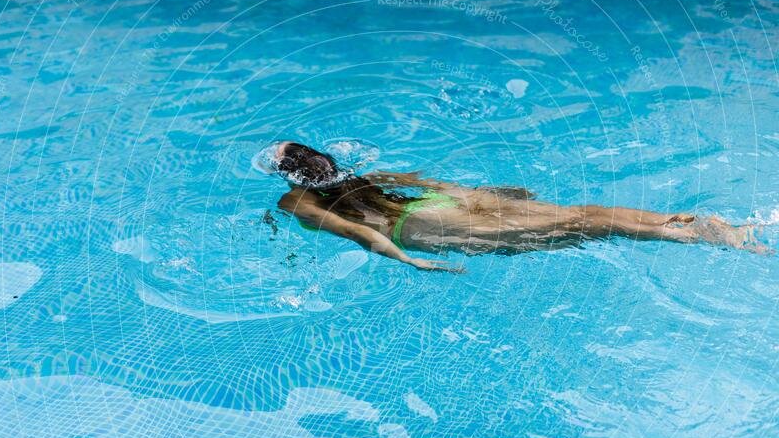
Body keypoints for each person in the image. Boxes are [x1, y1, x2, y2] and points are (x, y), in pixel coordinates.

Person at [270, 142, 768, 272]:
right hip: (449, 201)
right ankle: (687, 220)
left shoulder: (295, 200)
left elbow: (358, 233)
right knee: (584, 212)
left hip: (420, 223)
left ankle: (699, 234)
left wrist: (408, 259)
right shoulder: (370, 175)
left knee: (583, 228)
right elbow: (438, 182)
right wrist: (495, 198)